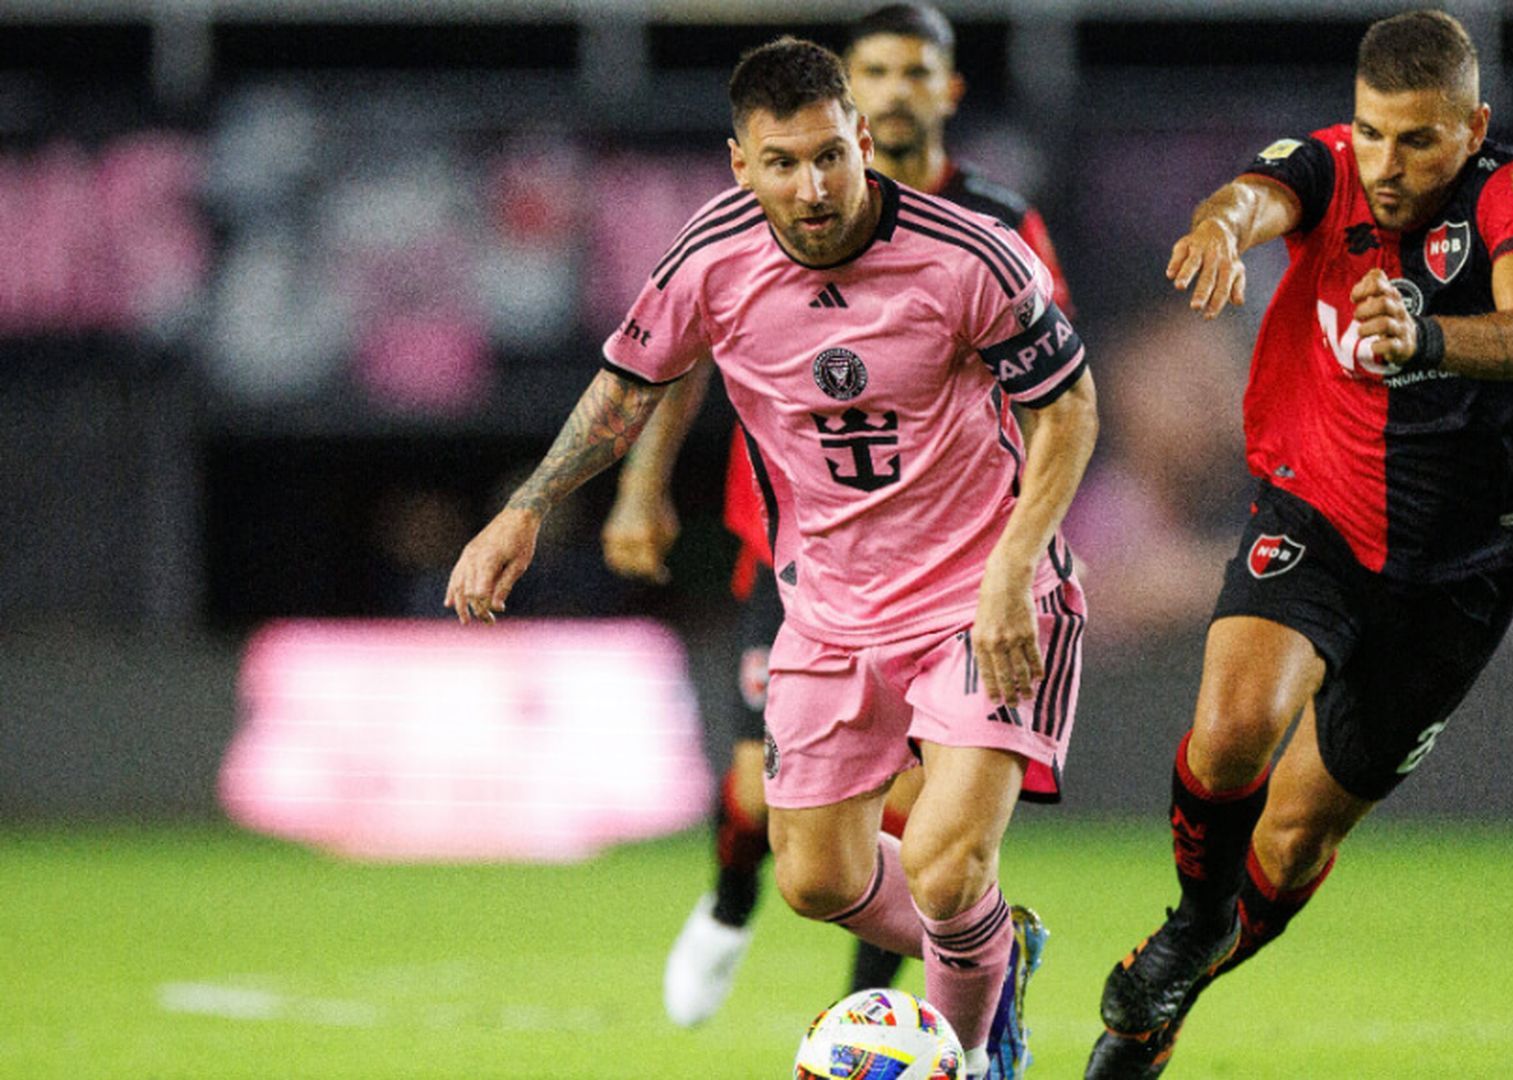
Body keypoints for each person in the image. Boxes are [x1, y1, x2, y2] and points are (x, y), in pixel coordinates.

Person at [448, 36, 1097, 1080]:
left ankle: (971, 1057)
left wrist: (1017, 567)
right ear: (741, 164)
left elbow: (1068, 410)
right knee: (816, 877)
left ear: (864, 143)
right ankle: (993, 946)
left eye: (833, 155)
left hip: (978, 600)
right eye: (785, 162)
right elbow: (629, 384)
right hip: (830, 612)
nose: (816, 185)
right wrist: (528, 507)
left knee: (941, 863)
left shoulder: (970, 254)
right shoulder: (710, 259)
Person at [1083, 11, 1513, 1077]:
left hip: (1456, 576)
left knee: (1299, 836)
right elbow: (1259, 193)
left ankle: (1183, 981)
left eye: (1417, 140)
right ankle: (1191, 924)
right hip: (1315, 518)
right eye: (1373, 134)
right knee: (1229, 733)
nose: (1388, 167)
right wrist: (1222, 227)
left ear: (1473, 126)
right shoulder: (1331, 166)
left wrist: (1432, 337)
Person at [599, 1, 1076, 1027]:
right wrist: (642, 484)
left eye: (914, 72)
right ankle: (732, 905)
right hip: (796, 560)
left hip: (948, 563)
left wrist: (1013, 556)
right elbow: (670, 358)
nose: (894, 90)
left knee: (936, 843)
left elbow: (1054, 392)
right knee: (765, 803)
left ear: (929, 98)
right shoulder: (741, 240)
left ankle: (927, 1014)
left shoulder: (992, 228)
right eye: (876, 71)